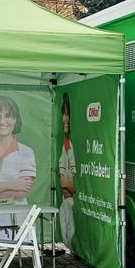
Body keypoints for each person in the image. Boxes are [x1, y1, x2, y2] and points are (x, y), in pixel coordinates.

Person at [58, 94, 77, 246]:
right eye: (63, 114)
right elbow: (63, 180)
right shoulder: (65, 142)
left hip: (72, 202)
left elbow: (70, 183)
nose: (65, 118)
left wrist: (66, 184)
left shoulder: (74, 144)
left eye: (68, 114)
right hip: (66, 202)